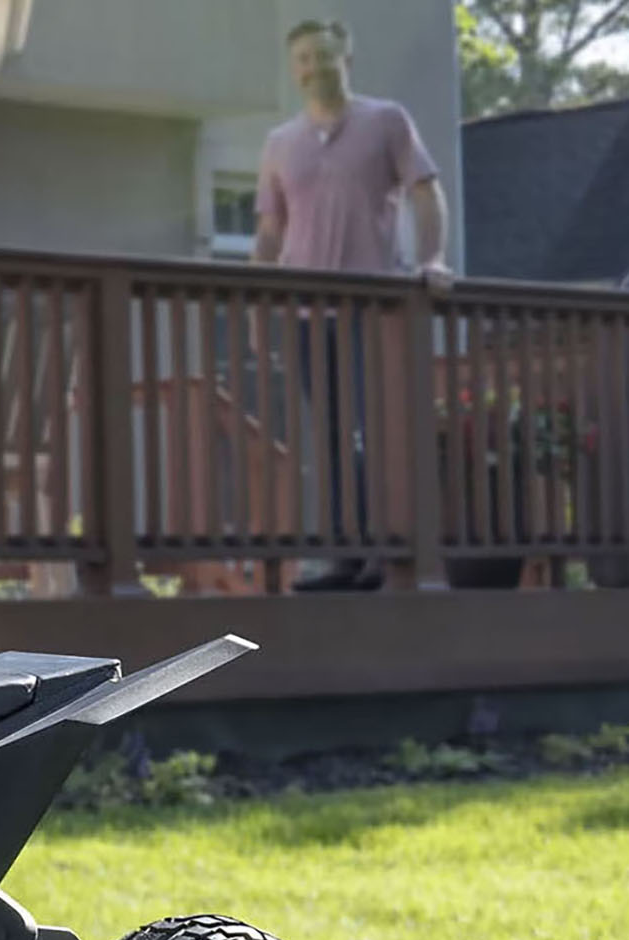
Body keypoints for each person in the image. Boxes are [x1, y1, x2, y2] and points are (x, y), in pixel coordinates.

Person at [255, 19, 453, 591]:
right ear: (295, 70)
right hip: (304, 316)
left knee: (375, 432)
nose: (314, 66)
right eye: (303, 59)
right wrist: (253, 302)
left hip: (373, 310)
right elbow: (270, 233)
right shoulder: (280, 144)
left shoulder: (385, 121)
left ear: (347, 58)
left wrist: (432, 259)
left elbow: (425, 191)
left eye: (323, 55)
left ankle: (383, 554)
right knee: (332, 438)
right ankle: (346, 556)